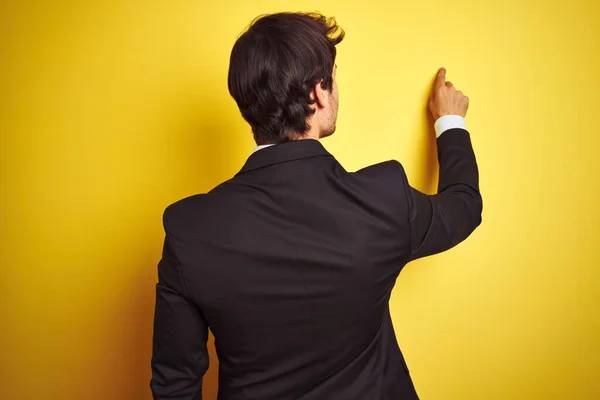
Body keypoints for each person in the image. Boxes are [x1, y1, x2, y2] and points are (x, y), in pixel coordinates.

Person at [150, 11, 482, 400]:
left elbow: (175, 385)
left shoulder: (189, 230)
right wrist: (450, 123)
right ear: (318, 92)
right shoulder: (382, 199)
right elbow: (463, 205)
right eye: (333, 78)